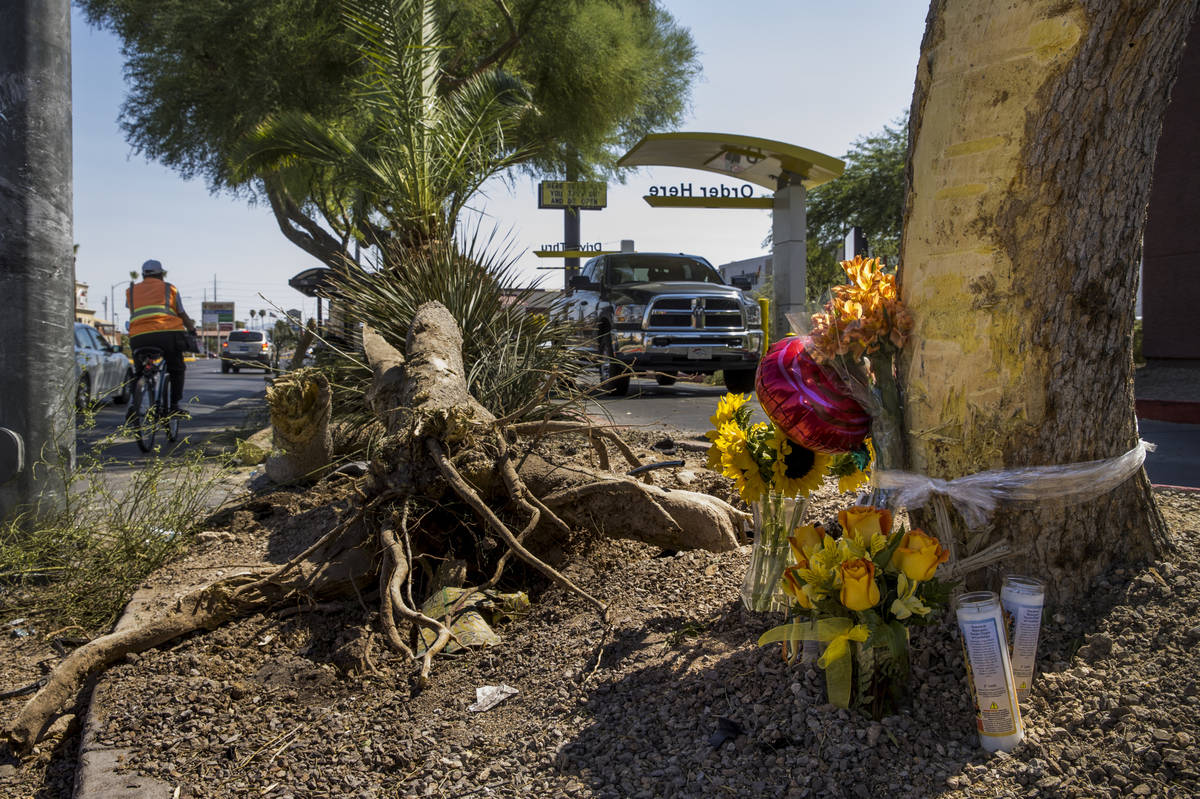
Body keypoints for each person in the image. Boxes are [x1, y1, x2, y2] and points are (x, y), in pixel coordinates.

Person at [126, 259, 197, 416]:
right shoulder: (169, 288)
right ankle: (173, 405)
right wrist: (191, 329)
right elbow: (181, 313)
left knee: (139, 372)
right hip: (167, 334)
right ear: (161, 274)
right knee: (177, 367)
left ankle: (134, 403)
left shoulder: (131, 290)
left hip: (138, 337)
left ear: (143, 275)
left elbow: (133, 311)